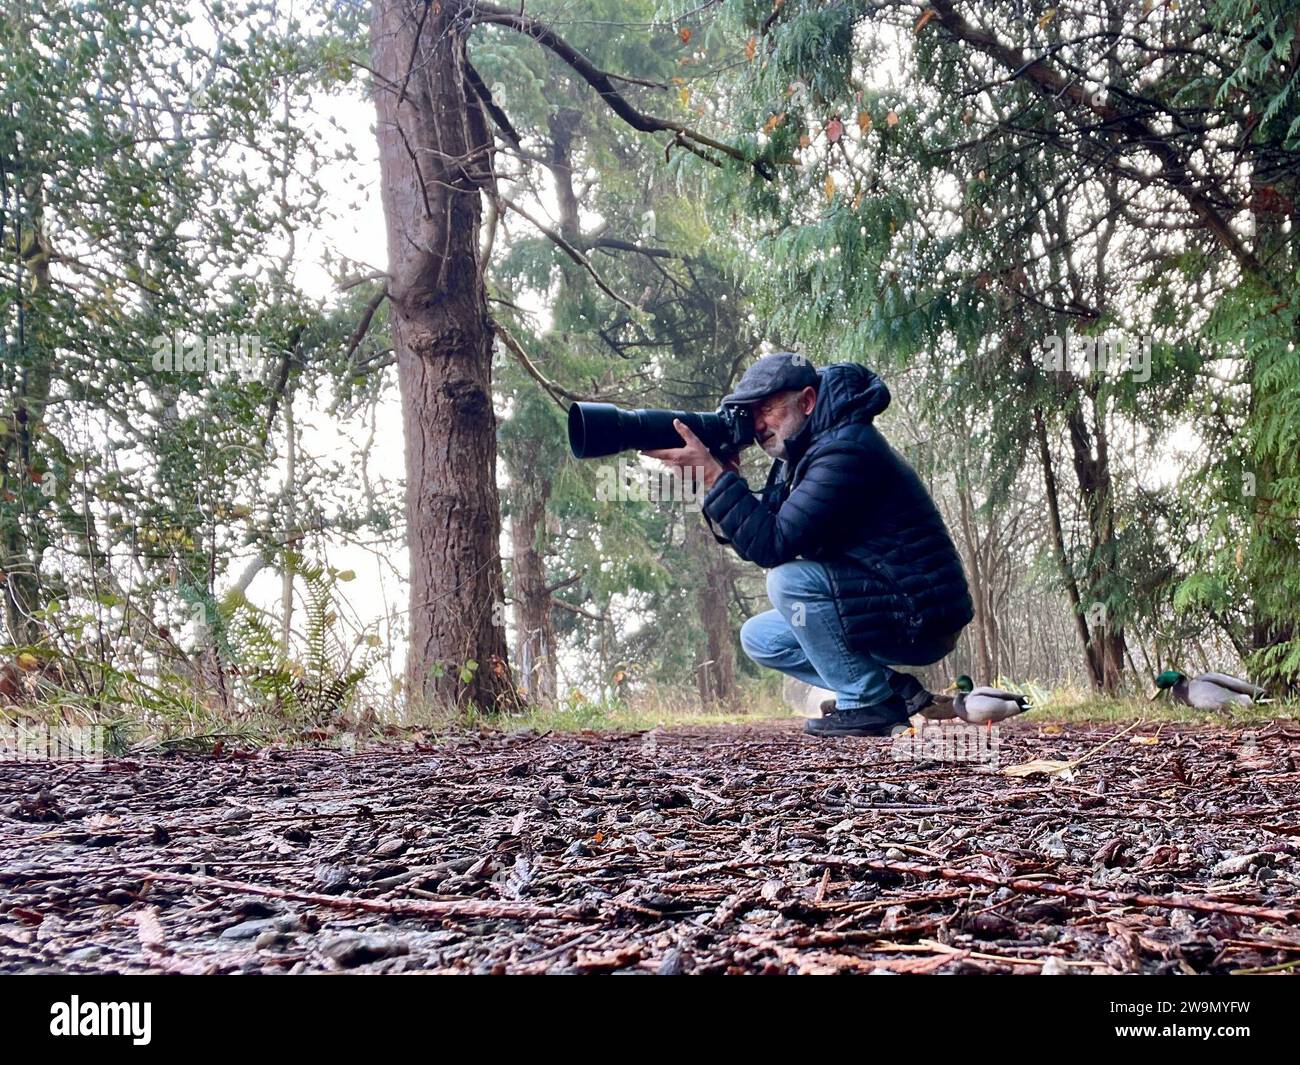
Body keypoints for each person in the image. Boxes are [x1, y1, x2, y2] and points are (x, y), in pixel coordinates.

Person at [643, 352, 973, 737]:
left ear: (807, 401)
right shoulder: (798, 460)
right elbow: (757, 534)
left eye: (767, 409)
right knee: (761, 638)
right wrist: (724, 480)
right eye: (752, 414)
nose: (758, 424)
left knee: (789, 582)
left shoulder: (847, 450)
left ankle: (868, 703)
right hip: (880, 605)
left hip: (920, 614)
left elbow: (773, 545)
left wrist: (718, 480)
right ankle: (888, 689)